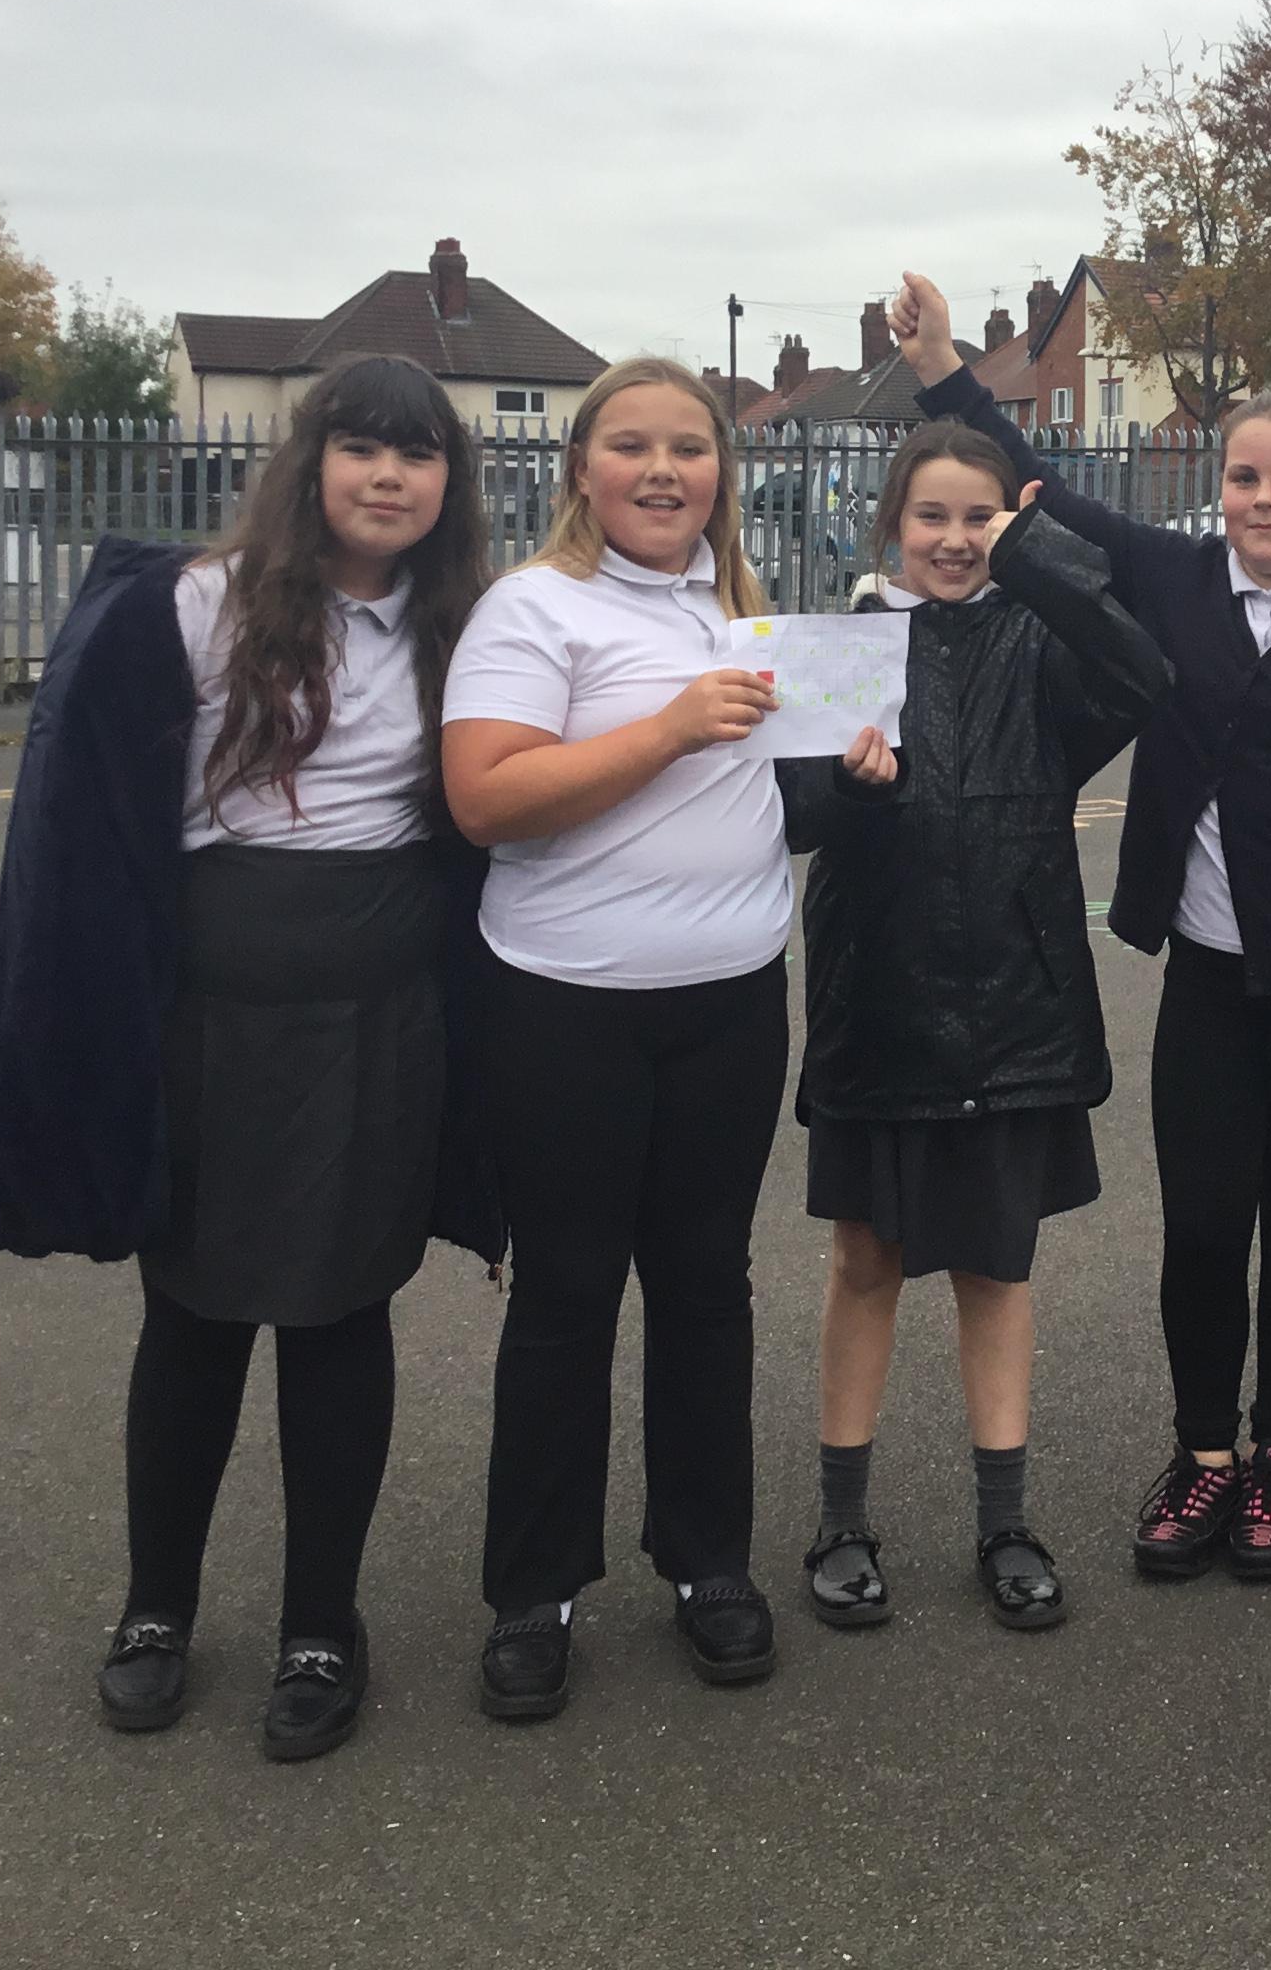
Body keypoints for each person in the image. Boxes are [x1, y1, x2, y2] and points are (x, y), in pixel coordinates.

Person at [0, 353, 502, 1764]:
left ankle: (322, 1623)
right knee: (193, 1319)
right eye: (361, 447)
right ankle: (156, 1608)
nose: (388, 476)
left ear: (449, 482)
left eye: (418, 454)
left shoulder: (467, 628)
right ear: (311, 462)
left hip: (382, 1027)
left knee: (340, 1317)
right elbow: (87, 828)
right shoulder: (197, 606)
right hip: (212, 1028)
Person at [891, 275, 1271, 1583]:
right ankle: (1204, 1453)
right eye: (1243, 477)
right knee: (1205, 1225)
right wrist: (940, 373)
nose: (1263, 500)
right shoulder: (1176, 578)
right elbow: (1041, 486)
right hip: (1211, 976)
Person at [441, 358, 791, 1714]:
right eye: (631, 446)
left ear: (721, 473)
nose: (662, 471)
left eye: (689, 448)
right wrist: (669, 728)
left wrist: (858, 766)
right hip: (565, 1007)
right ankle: (534, 1592)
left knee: (706, 1288)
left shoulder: (740, 607)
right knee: (569, 1293)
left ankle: (709, 1562)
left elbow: (771, 793)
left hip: (732, 1001)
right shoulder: (533, 608)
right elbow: (487, 798)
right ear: (580, 469)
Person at [783, 425, 1170, 1633]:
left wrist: (1038, 558)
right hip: (879, 1005)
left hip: (1015, 1008)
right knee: (865, 1263)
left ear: (1013, 523)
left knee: (998, 1270)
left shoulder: (1043, 641)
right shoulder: (842, 643)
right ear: (892, 520)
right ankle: (842, 1520)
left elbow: (1145, 676)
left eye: (979, 519)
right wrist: (851, 785)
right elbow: (796, 813)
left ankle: (1005, 1520)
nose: (953, 541)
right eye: (931, 516)